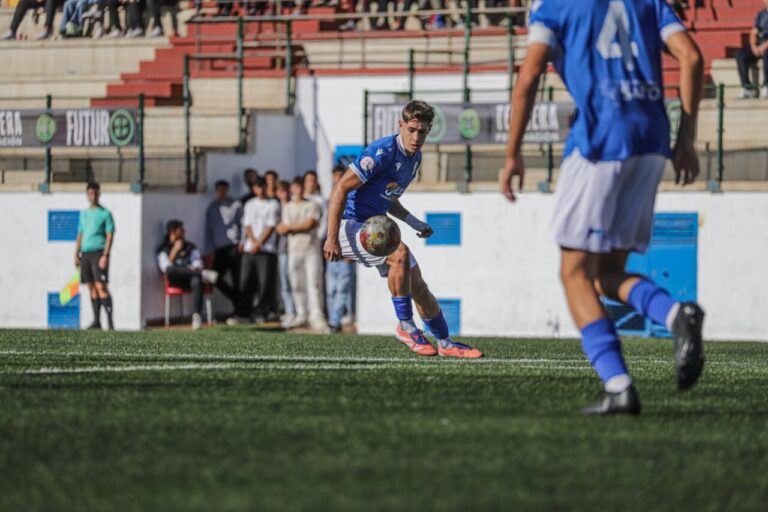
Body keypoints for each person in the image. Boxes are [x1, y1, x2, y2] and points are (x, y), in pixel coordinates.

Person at [501, 0, 705, 415]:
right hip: (651, 139)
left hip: (600, 140)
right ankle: (675, 314)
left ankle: (618, 384)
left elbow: (529, 77)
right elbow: (692, 56)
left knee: (573, 271)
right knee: (605, 273)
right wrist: (686, 140)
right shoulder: (648, 2)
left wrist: (512, 154)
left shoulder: (554, 6)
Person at [325, 100, 483, 358]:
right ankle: (406, 326)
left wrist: (413, 221)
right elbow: (341, 187)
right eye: (411, 129)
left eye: (422, 131)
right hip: (349, 223)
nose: (416, 136)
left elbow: (388, 198)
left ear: (429, 130)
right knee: (400, 254)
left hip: (374, 225)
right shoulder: (382, 152)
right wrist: (332, 237)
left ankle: (445, 343)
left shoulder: (414, 159)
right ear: (401, 125)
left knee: (418, 285)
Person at [277, 177, 327, 331]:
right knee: (296, 283)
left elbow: (310, 223)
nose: (297, 190)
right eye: (294, 187)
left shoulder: (313, 204)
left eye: (299, 187)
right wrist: (290, 228)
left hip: (310, 249)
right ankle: (301, 313)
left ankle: (316, 315)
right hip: (293, 250)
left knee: (313, 283)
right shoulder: (288, 206)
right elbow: (281, 228)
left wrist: (290, 228)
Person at [157, 220, 218, 331]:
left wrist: (193, 270)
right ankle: (203, 274)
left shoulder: (190, 246)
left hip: (190, 279)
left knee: (196, 280)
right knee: (171, 270)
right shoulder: (164, 248)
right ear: (173, 232)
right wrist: (175, 250)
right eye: (181, 229)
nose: (184, 231)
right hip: (175, 279)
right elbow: (165, 268)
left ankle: (196, 317)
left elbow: (198, 263)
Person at [74, 182, 115, 330]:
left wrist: (106, 254)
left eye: (95, 193)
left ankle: (110, 323)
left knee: (101, 286)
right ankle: (96, 321)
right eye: (90, 193)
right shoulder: (84, 214)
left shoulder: (105, 214)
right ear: (87, 195)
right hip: (86, 253)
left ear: (99, 194)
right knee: (91, 286)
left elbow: (110, 235)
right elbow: (80, 234)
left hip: (98, 253)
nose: (93, 196)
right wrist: (76, 253)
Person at [239, 177, 280, 323]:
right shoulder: (249, 204)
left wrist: (259, 243)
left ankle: (261, 311)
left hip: (266, 250)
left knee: (265, 283)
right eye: (257, 187)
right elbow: (247, 225)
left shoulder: (273, 204)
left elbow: (271, 226)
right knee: (246, 281)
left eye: (262, 186)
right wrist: (253, 243)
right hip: (251, 249)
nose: (260, 190)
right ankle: (244, 313)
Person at [205, 179, 243, 318]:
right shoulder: (212, 208)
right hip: (219, 249)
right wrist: (210, 250)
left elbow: (242, 224)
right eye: (219, 190)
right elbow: (209, 230)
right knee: (214, 277)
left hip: (233, 246)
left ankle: (239, 311)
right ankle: (237, 299)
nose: (222, 192)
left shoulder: (235, 205)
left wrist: (242, 242)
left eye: (224, 190)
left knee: (237, 279)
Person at [326, 165, 356, 333]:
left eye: (340, 176)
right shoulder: (330, 196)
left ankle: (336, 320)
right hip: (331, 248)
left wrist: (348, 249)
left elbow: (351, 223)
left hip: (345, 250)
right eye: (335, 176)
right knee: (331, 289)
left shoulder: (351, 196)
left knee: (343, 288)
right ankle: (332, 320)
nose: (338, 179)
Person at [275, 180, 297, 327]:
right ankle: (289, 311)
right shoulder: (276, 207)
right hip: (282, 249)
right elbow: (278, 227)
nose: (284, 194)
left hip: (295, 248)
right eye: (281, 191)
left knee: (296, 280)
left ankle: (298, 311)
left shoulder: (294, 206)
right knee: (285, 282)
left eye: (286, 190)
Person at [735, 0, 768, 99]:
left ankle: (766, 85)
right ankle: (747, 87)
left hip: (766, 46)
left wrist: (764, 46)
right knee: (741, 54)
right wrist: (754, 46)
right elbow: (753, 32)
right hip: (759, 44)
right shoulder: (760, 15)